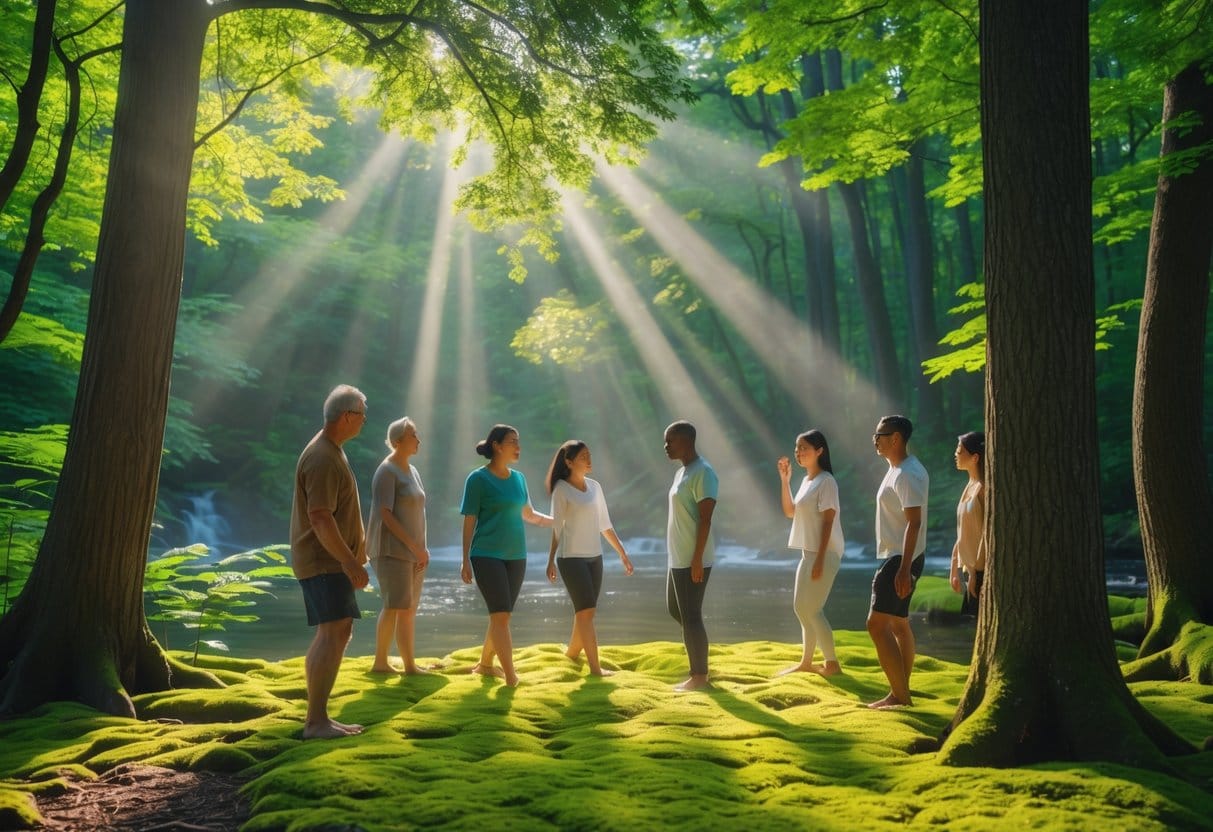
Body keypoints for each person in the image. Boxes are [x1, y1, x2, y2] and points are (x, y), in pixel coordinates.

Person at [288, 384, 371, 739]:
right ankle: (315, 722)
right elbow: (321, 517)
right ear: (348, 416)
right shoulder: (322, 456)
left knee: (337, 631)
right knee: (332, 632)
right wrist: (351, 562)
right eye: (362, 415)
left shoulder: (331, 450)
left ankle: (319, 716)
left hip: (330, 561)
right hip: (325, 561)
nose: (364, 422)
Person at [459, 424, 552, 686]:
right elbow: (469, 519)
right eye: (513, 441)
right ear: (498, 445)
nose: (518, 446)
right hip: (486, 554)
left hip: (516, 555)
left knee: (502, 616)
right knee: (500, 615)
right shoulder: (477, 479)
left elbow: (530, 514)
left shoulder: (519, 479)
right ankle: (511, 677)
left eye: (518, 441)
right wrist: (465, 559)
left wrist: (560, 521)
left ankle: (486, 665)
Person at [544, 440, 634, 676]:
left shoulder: (595, 487)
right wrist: (551, 559)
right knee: (585, 612)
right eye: (583, 456)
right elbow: (557, 527)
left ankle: (572, 655)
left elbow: (605, 525)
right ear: (569, 462)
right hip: (571, 558)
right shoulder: (561, 489)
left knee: (587, 612)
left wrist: (622, 553)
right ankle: (595, 669)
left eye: (589, 454)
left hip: (595, 558)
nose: (588, 459)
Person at [866, 414, 929, 709]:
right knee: (899, 625)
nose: (875, 440)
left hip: (900, 557)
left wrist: (904, 568)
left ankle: (900, 696)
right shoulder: (897, 469)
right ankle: (900, 692)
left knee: (876, 625)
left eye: (880, 435)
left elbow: (913, 523)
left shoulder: (907, 474)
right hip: (898, 555)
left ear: (896, 438)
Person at [776, 429, 844, 677]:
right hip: (809, 554)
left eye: (804, 447)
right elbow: (790, 512)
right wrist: (785, 480)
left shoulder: (827, 481)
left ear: (819, 451)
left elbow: (828, 521)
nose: (799, 452)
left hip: (824, 554)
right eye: (797, 447)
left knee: (813, 609)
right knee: (800, 607)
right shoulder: (807, 481)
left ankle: (832, 664)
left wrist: (820, 559)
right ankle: (806, 662)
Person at [367, 417, 431, 674]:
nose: (418, 440)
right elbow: (386, 514)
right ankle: (380, 663)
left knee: (408, 608)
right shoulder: (386, 470)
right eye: (413, 435)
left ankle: (409, 665)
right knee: (394, 605)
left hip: (415, 551)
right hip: (392, 550)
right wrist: (414, 548)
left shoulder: (411, 470)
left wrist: (420, 550)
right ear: (397, 441)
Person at [663, 420, 718, 692]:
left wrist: (697, 558)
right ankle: (701, 662)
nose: (666, 446)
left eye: (669, 441)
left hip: (693, 557)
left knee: (691, 615)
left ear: (685, 441)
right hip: (678, 556)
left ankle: (699, 677)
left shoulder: (704, 473)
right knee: (677, 610)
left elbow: (706, 520)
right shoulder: (681, 473)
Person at [950, 431, 986, 616]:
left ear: (975, 457)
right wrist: (954, 567)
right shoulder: (969, 485)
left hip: (980, 570)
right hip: (969, 569)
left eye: (959, 451)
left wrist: (975, 572)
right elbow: (963, 531)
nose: (955, 455)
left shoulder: (983, 489)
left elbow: (985, 534)